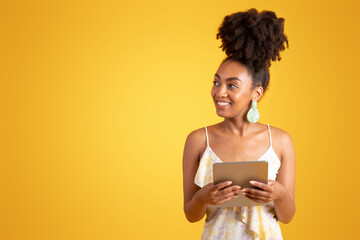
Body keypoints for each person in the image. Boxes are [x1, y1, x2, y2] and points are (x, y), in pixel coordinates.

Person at [182, 8, 296, 240]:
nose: (219, 92)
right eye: (216, 82)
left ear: (256, 92)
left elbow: (287, 215)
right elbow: (191, 214)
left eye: (232, 85)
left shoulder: (281, 141)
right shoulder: (197, 140)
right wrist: (203, 198)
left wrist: (280, 194)